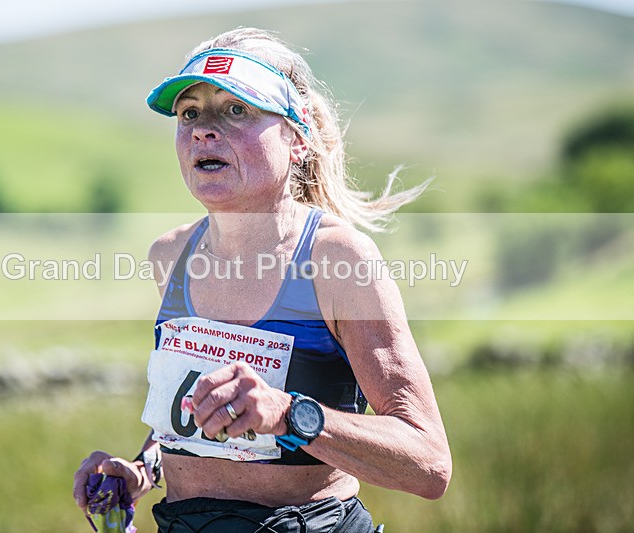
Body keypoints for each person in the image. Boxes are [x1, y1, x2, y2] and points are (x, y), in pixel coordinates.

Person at [74, 27, 451, 532]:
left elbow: (428, 464)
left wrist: (288, 413)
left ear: (296, 139)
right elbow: (189, 418)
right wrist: (142, 470)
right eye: (190, 113)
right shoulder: (170, 255)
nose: (204, 130)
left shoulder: (338, 259)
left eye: (237, 110)